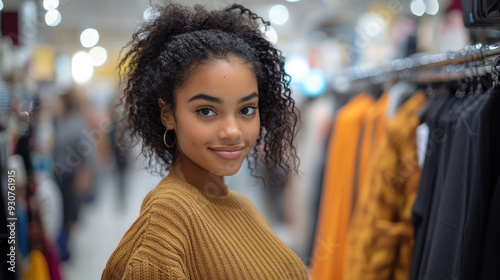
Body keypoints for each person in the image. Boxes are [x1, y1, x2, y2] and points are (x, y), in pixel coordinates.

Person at [102, 2, 307, 279]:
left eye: (246, 109)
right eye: (206, 111)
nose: (233, 131)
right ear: (168, 114)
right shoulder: (167, 218)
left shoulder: (242, 206)